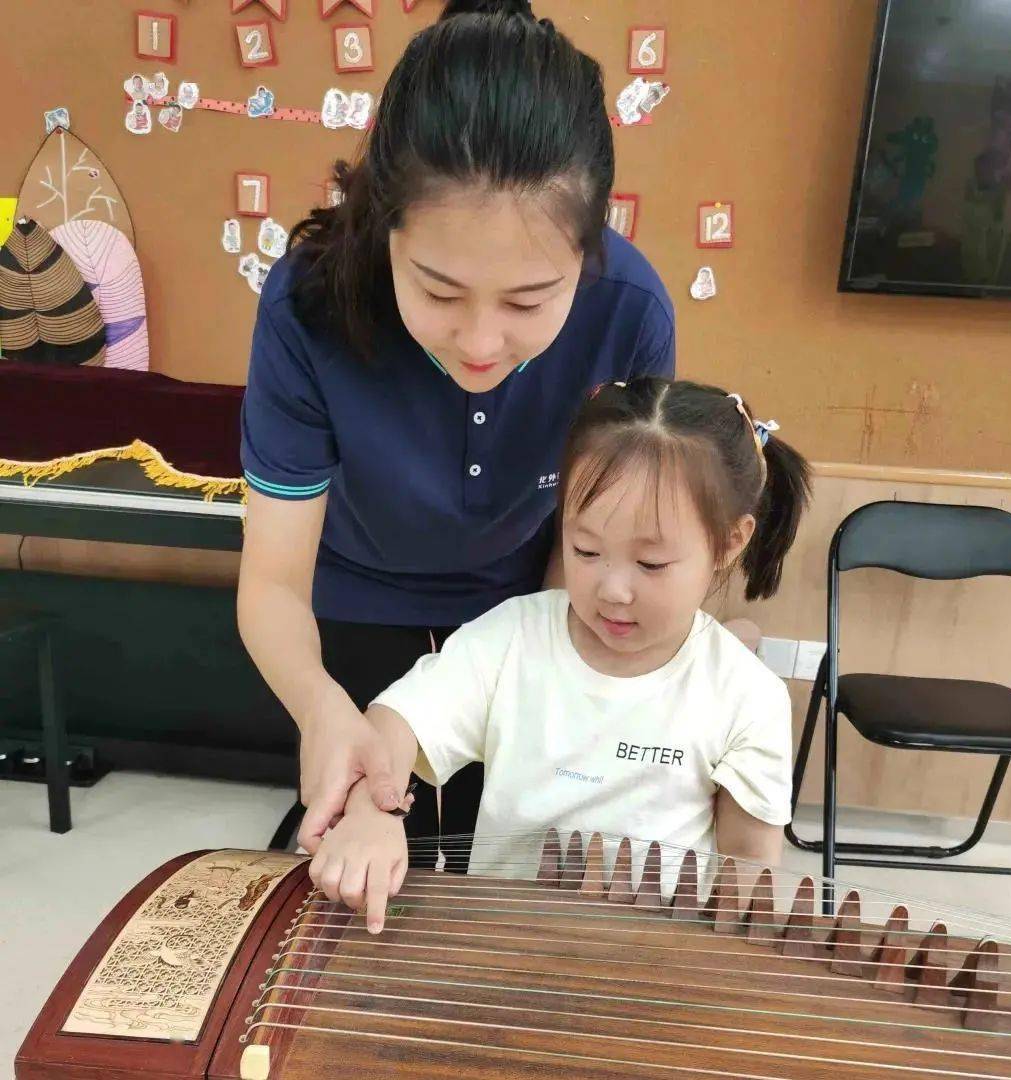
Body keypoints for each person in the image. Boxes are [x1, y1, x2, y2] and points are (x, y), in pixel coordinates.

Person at [237, 0, 676, 866]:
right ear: (385, 228)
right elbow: (273, 584)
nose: (481, 343)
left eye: (528, 301)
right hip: (348, 612)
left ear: (590, 253)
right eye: (438, 292)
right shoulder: (308, 306)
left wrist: (541, 671)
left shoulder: (630, 314)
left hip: (524, 614)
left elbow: (588, 548)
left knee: (497, 864)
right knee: (352, 857)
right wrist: (327, 712)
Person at [307, 377, 813, 932]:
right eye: (587, 550)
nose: (613, 590)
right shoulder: (513, 641)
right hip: (498, 949)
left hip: (649, 966)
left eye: (651, 564)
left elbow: (748, 880)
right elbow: (395, 722)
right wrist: (369, 810)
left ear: (730, 543)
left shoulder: (745, 696)